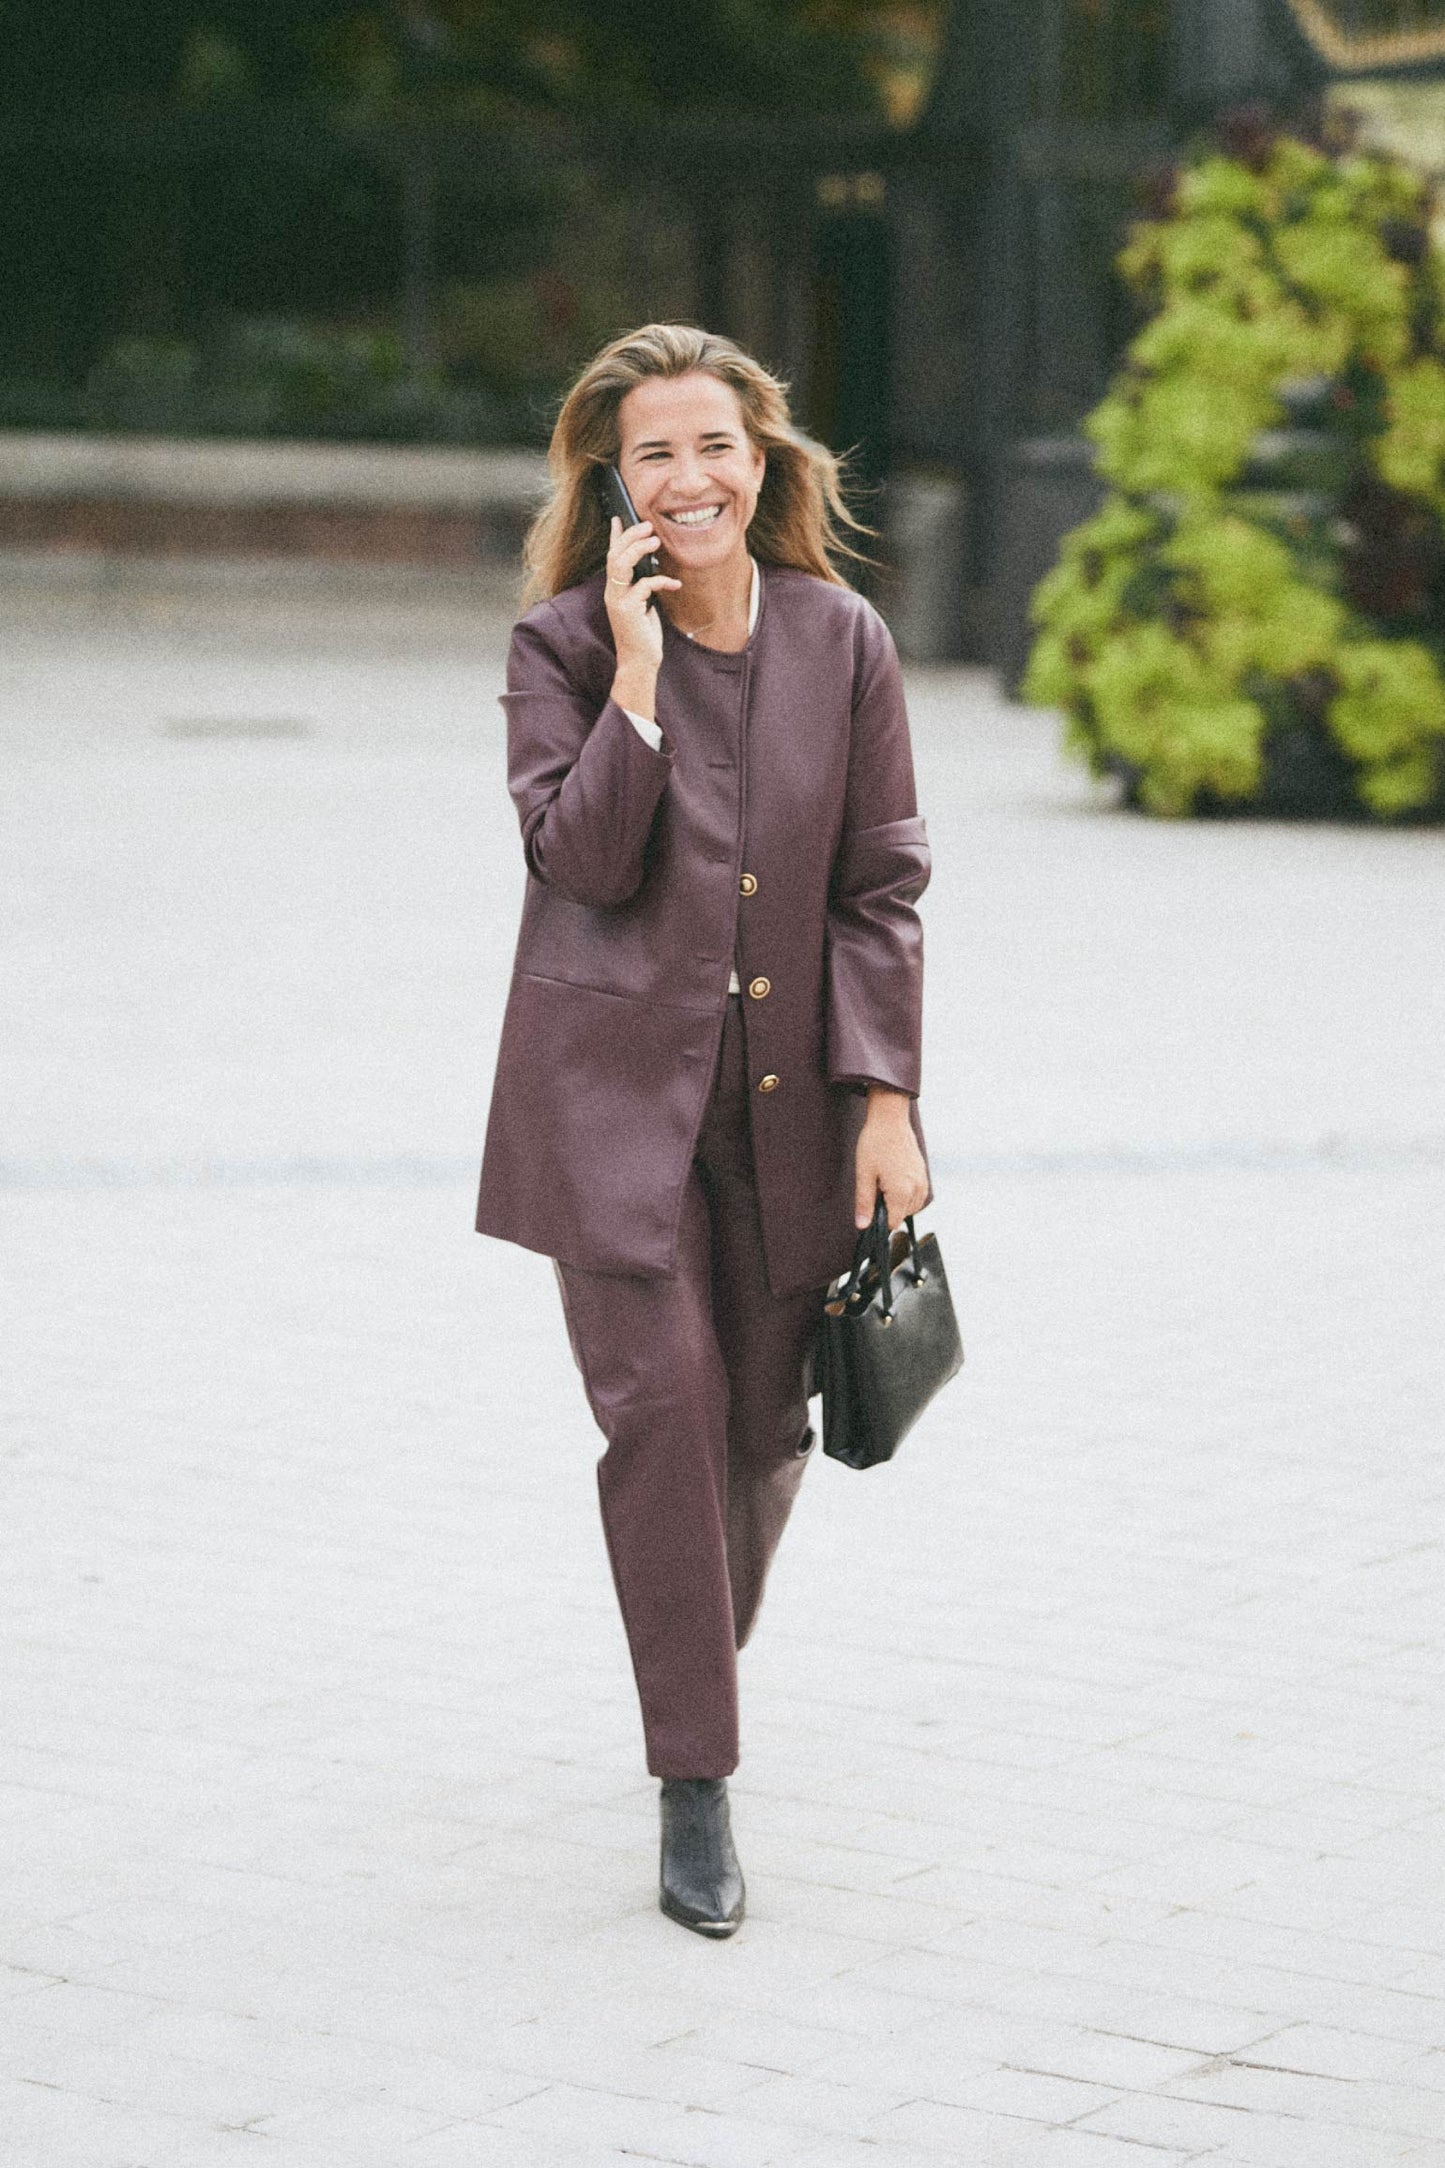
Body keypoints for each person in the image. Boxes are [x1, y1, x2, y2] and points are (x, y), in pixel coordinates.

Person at [476, 322, 931, 1937]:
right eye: (652, 455)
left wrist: (887, 1101)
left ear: (761, 463)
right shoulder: (556, 648)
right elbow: (581, 862)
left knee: (757, 1438)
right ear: (613, 486)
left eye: (713, 447)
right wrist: (637, 677)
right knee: (663, 1417)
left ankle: (688, 1658)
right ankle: (694, 1780)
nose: (688, 479)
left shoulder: (842, 638)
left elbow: (880, 886)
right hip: (608, 1117)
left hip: (793, 1115)